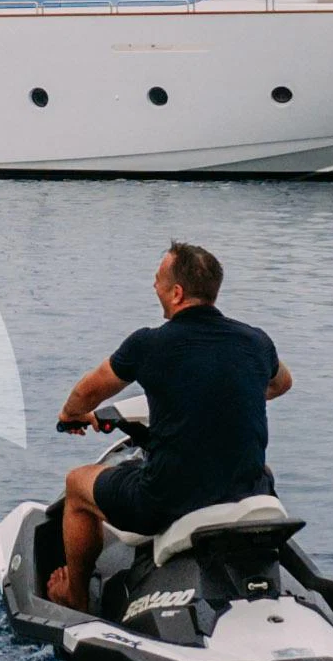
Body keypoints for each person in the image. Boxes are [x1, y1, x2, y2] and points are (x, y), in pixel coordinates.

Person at [45, 241, 291, 608]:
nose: (154, 288)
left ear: (176, 293)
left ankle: (76, 598)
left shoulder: (149, 344)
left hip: (166, 499)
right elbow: (282, 383)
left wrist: (72, 415)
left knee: (77, 486)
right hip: (245, 490)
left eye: (158, 281)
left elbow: (88, 391)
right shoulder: (256, 340)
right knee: (260, 467)